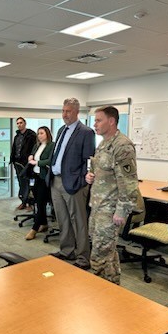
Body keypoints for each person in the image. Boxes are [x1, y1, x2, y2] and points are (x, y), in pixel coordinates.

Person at [86, 106, 138, 284]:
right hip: (98, 206)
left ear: (111, 121)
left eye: (98, 120)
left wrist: (121, 212)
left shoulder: (122, 146)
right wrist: (90, 175)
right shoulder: (102, 144)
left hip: (110, 210)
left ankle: (98, 291)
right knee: (106, 252)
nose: (95, 124)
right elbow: (99, 169)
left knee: (99, 255)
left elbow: (129, 183)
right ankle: (112, 289)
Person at [47, 98, 95, 269]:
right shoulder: (61, 130)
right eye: (63, 111)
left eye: (68, 111)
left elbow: (89, 161)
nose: (64, 114)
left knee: (79, 222)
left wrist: (83, 182)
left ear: (76, 112)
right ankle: (67, 250)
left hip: (74, 184)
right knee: (63, 219)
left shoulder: (86, 132)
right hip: (56, 181)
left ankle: (83, 258)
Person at [24, 126, 54, 240]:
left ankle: (34, 228)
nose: (39, 135)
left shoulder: (51, 145)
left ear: (47, 134)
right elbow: (32, 154)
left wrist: (37, 162)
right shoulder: (37, 145)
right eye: (38, 133)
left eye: (41, 133)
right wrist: (30, 156)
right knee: (37, 202)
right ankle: (44, 223)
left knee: (41, 203)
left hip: (44, 178)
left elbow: (50, 160)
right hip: (35, 177)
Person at [10, 117, 36, 210]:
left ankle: (31, 204)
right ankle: (24, 202)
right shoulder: (17, 136)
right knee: (21, 184)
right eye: (17, 123)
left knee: (30, 184)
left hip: (27, 164)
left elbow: (34, 148)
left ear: (25, 123)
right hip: (17, 163)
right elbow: (14, 148)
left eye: (21, 123)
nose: (19, 124)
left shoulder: (31, 135)